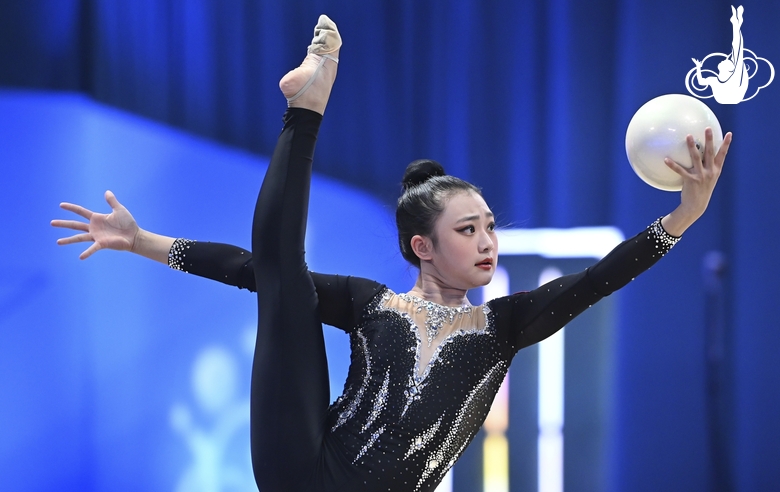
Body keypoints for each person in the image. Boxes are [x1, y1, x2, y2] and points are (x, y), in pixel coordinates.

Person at [52, 15, 734, 492]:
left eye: (490, 226)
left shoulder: (504, 327)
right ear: (422, 247)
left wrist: (684, 213)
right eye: (467, 230)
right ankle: (307, 107)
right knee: (282, 281)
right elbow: (250, 270)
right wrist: (142, 242)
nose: (489, 241)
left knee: (283, 280)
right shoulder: (370, 305)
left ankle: (308, 108)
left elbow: (599, 279)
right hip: (300, 470)